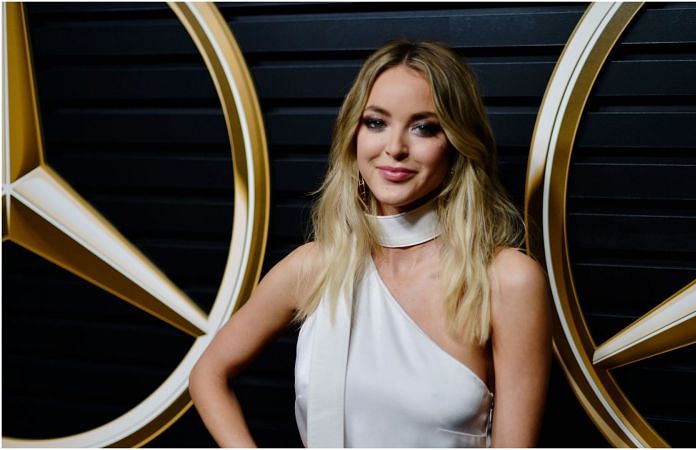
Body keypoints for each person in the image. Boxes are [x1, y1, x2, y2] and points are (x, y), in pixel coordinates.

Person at [189, 39, 552, 448]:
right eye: (376, 122)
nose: (394, 148)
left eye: (424, 127)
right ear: (353, 136)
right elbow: (208, 374)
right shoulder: (314, 268)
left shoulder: (507, 280)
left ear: (455, 144)